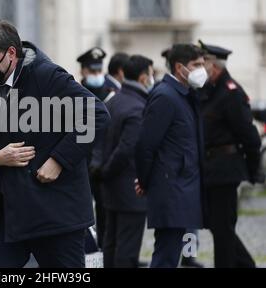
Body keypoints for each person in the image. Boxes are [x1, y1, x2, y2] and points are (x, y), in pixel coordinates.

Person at [0, 19, 110, 268]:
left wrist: (58, 160)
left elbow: (96, 114)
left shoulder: (47, 75)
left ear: (11, 53)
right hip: (8, 212)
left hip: (56, 212)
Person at [135, 44, 206, 268]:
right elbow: (145, 145)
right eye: (197, 65)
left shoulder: (185, 94)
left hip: (184, 187)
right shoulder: (166, 96)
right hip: (172, 189)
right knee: (166, 257)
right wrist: (146, 181)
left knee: (175, 255)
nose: (202, 69)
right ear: (179, 67)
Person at [199, 40, 263, 268]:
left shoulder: (230, 93)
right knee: (218, 227)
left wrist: (253, 170)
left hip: (225, 170)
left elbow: (250, 137)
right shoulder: (209, 90)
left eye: (203, 62)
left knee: (222, 229)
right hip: (211, 170)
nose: (199, 67)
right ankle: (246, 264)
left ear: (214, 67)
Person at [100, 55, 153, 268]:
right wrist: (108, 171)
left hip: (111, 187)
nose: (152, 79)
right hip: (129, 188)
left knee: (111, 243)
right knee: (127, 250)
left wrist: (102, 172)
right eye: (150, 74)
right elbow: (126, 150)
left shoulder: (115, 100)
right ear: (142, 78)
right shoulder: (138, 107)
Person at [77, 47, 115, 249]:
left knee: (104, 210)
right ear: (83, 71)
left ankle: (103, 250)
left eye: (99, 71)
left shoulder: (110, 95)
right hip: (80, 161)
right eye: (92, 71)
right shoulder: (72, 92)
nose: (97, 76)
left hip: (102, 165)